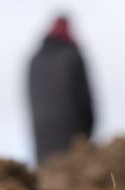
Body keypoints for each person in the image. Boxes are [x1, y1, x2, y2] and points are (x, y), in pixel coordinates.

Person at [27, 15, 95, 165]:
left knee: (47, 171)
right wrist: (87, 131)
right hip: (71, 131)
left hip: (41, 132)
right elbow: (84, 98)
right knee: (71, 173)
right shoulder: (73, 56)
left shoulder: (34, 60)